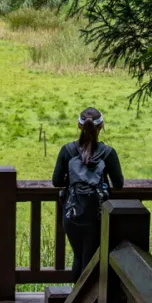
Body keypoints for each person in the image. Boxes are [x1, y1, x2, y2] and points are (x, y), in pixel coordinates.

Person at [52, 107, 124, 281]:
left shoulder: (67, 151)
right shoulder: (108, 153)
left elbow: (56, 181)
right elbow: (119, 184)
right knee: (90, 258)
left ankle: (74, 302)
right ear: (102, 127)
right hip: (97, 214)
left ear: (79, 126)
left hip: (72, 213)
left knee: (78, 256)